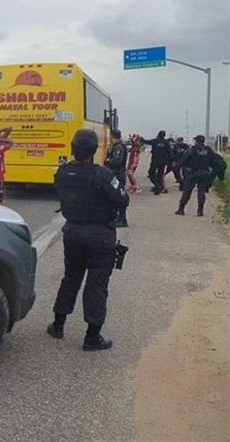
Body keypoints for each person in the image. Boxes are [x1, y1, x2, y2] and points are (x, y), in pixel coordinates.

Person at [48, 129, 130, 351]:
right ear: (95, 150)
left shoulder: (62, 172)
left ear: (73, 148)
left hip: (72, 232)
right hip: (100, 235)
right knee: (96, 284)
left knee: (71, 277)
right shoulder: (102, 174)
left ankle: (58, 325)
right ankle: (92, 337)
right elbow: (123, 200)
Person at [175, 135, 225, 216]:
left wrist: (177, 166)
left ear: (197, 142)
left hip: (193, 174)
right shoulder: (208, 150)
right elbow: (216, 162)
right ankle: (200, 211)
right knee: (201, 192)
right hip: (205, 174)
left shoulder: (192, 150)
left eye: (196, 141)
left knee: (187, 191)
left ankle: (181, 209)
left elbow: (183, 160)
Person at [104, 129, 128, 227]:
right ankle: (119, 217)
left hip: (118, 175)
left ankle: (122, 219)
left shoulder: (118, 147)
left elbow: (117, 161)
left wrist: (108, 160)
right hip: (116, 174)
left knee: (119, 195)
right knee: (115, 195)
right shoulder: (118, 146)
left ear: (112, 136)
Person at [140, 130, 169, 194]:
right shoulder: (166, 142)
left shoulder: (156, 141)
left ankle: (157, 186)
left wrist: (141, 139)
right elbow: (170, 152)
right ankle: (160, 187)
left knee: (151, 173)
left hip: (155, 161)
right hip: (163, 162)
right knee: (160, 175)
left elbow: (147, 142)